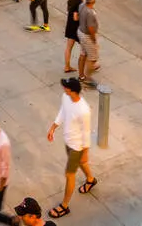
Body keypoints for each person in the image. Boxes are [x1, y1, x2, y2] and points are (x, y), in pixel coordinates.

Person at [46, 77, 96, 219]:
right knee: (82, 163)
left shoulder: (84, 110)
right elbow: (63, 112)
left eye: (66, 87)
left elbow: (86, 133)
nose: (64, 89)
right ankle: (91, 180)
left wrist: (85, 152)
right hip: (68, 141)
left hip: (77, 146)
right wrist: (53, 127)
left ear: (72, 91)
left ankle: (64, 206)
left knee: (70, 175)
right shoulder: (66, 97)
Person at [77, 0, 100, 87]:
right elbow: (91, 28)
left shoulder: (82, 5)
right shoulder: (90, 12)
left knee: (83, 54)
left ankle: (81, 75)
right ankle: (87, 78)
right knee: (93, 58)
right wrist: (94, 39)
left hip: (81, 32)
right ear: (93, 0)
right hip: (87, 36)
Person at [63, 0, 84, 73]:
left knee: (68, 48)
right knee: (86, 48)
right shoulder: (79, 2)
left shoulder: (71, 0)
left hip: (70, 25)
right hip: (76, 27)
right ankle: (92, 65)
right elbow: (76, 17)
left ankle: (67, 66)